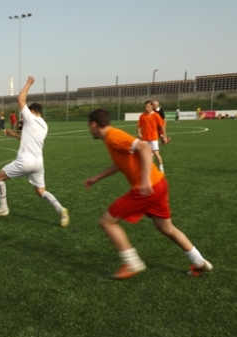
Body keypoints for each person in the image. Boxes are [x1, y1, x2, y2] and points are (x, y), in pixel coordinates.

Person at [84, 108, 212, 279]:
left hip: (146, 188)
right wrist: (97, 178)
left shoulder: (113, 136)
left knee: (107, 222)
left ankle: (132, 263)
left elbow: (144, 147)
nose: (89, 129)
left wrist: (144, 179)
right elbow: (120, 163)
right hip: (159, 184)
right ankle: (199, 261)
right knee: (166, 228)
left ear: (93, 124)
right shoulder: (111, 138)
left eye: (89, 126)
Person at [0, 77, 69, 227]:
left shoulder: (31, 118)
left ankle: (3, 208)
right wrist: (15, 135)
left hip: (25, 161)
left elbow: (20, 99)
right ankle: (60, 209)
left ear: (32, 111)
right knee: (41, 191)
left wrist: (29, 83)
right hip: (38, 163)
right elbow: (29, 140)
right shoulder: (44, 126)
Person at [138, 100, 168, 173]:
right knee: (146, 154)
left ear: (152, 106)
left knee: (156, 153)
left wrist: (165, 136)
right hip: (145, 138)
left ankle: (161, 168)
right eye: (145, 106)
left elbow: (162, 126)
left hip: (153, 138)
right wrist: (139, 133)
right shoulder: (142, 116)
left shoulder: (156, 115)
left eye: (147, 106)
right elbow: (139, 125)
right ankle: (149, 168)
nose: (146, 108)